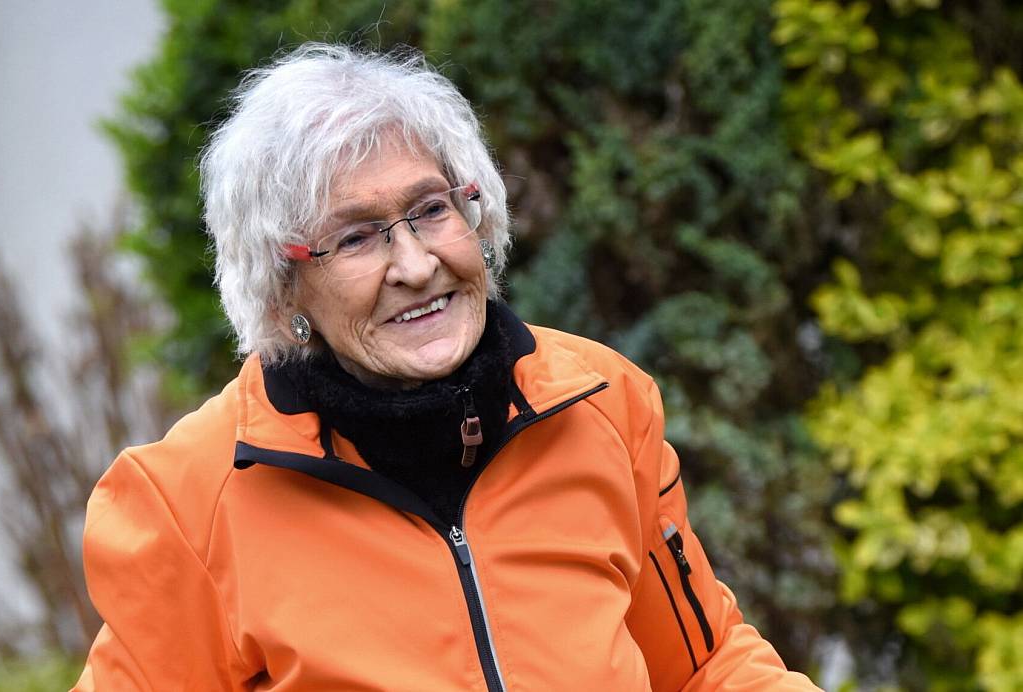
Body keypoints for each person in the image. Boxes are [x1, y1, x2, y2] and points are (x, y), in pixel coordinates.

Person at [73, 43, 819, 691]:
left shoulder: (601, 402)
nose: (416, 264)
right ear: (282, 287)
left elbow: (700, 668)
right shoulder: (187, 502)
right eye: (356, 238)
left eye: (431, 210)